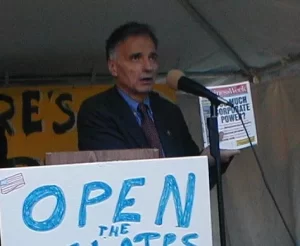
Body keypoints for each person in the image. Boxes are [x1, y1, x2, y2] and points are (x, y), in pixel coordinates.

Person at [77, 22, 240, 188]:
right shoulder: (97, 111)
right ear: (113, 67)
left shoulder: (169, 112)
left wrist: (211, 160)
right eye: (136, 58)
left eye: (152, 58)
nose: (148, 67)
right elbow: (119, 177)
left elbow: (195, 184)